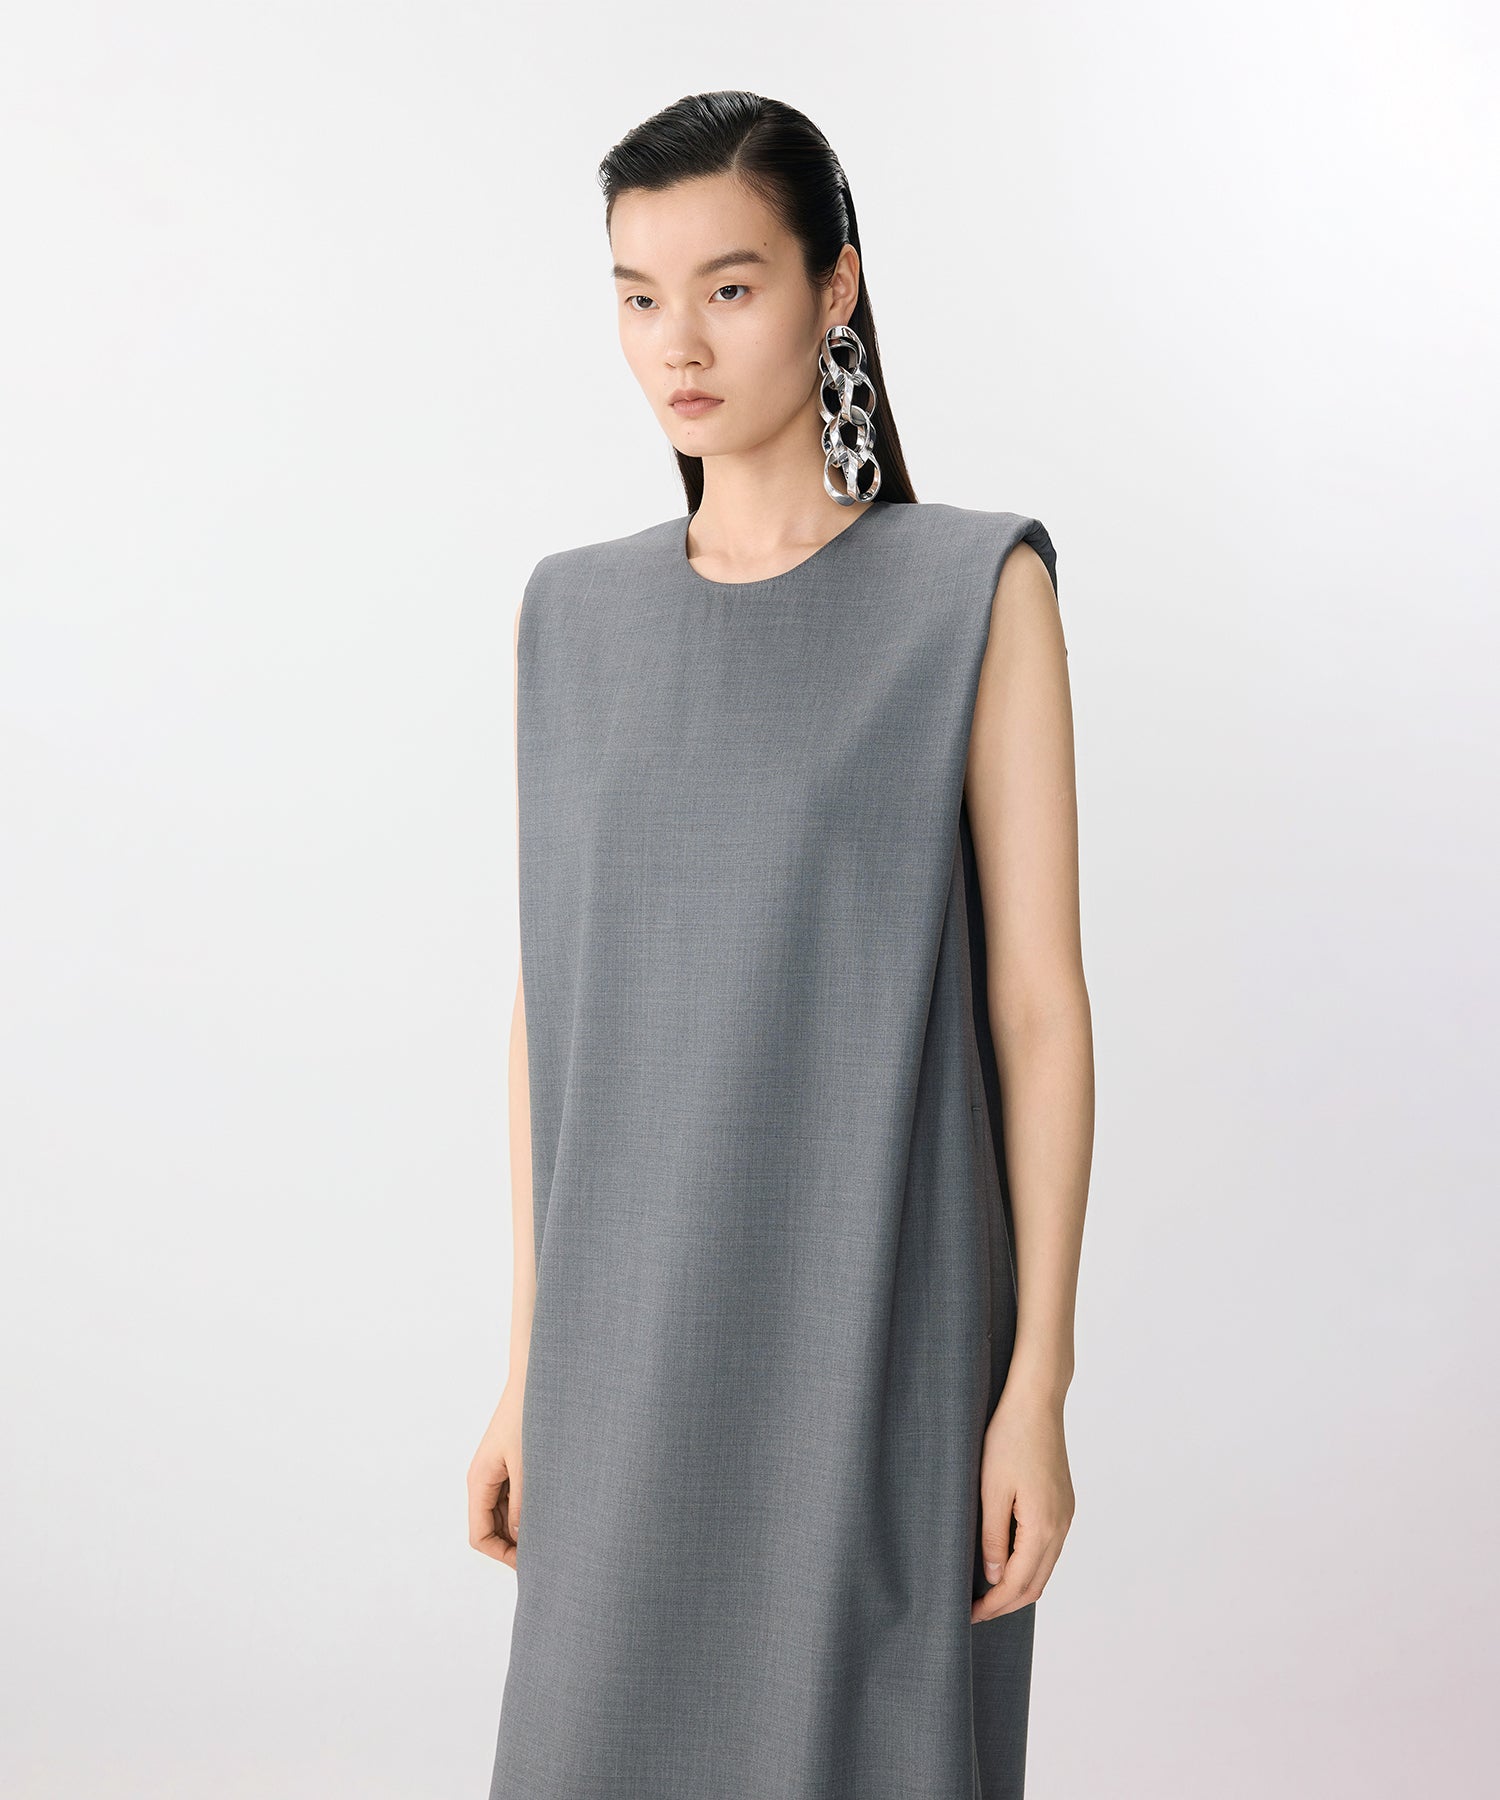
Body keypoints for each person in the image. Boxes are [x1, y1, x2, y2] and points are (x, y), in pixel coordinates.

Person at [469, 89, 1093, 1800]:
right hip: (621, 1355)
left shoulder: (973, 591)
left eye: (729, 288)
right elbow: (554, 1008)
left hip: (878, 1343)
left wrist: (1036, 1385)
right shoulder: (570, 616)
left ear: (836, 288)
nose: (677, 343)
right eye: (638, 295)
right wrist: (529, 1372)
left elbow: (1039, 1011)